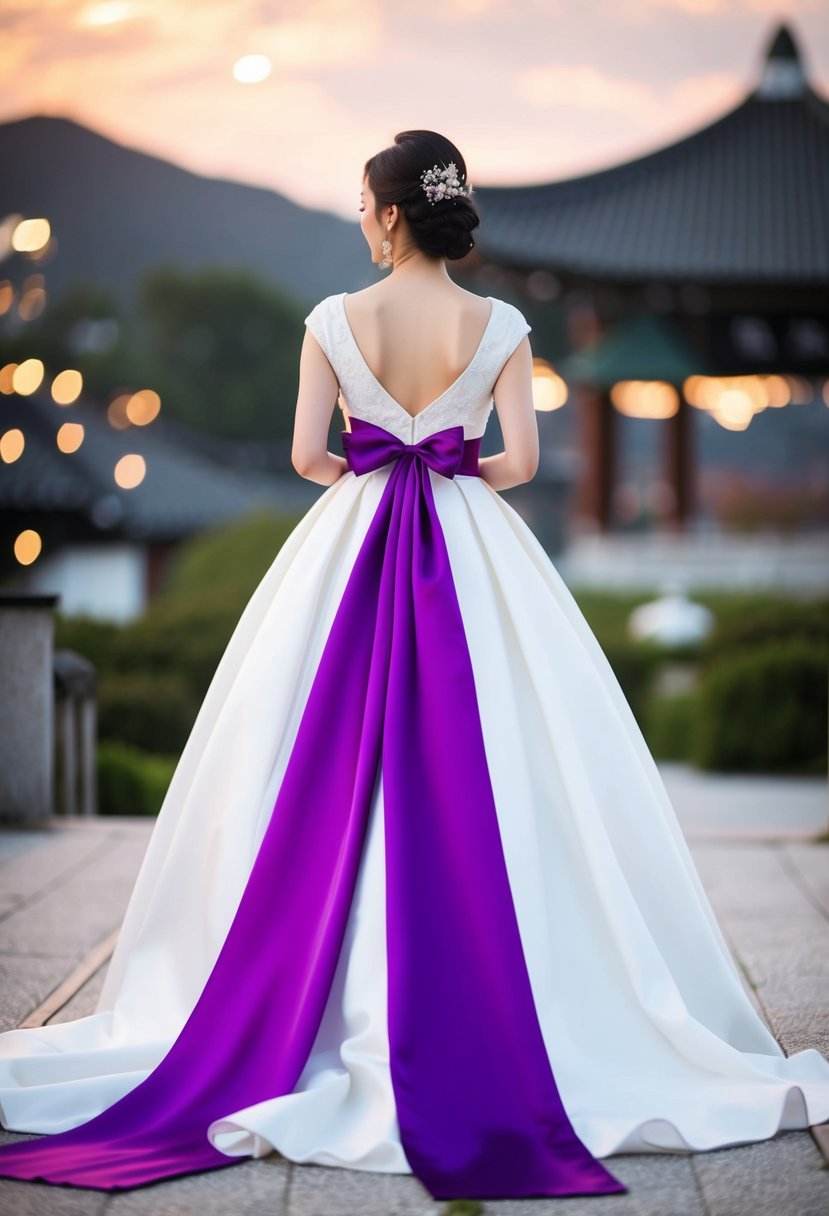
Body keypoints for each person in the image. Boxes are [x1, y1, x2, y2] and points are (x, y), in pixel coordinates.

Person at [0, 128, 827, 1203]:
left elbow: (307, 456)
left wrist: (368, 457)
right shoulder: (502, 326)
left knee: (306, 755)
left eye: (361, 202)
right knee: (500, 754)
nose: (358, 216)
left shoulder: (333, 322)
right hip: (470, 544)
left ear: (389, 213)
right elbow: (520, 463)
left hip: (346, 545)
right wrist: (453, 456)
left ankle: (304, 990)